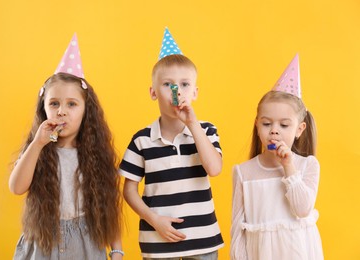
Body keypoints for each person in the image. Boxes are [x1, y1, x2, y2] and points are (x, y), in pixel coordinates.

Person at [9, 34, 124, 260]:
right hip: (43, 243)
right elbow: (16, 187)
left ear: (85, 111)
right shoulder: (37, 151)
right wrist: (37, 144)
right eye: (54, 104)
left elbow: (109, 205)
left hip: (86, 244)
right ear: (44, 109)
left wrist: (117, 251)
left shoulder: (95, 156)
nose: (62, 111)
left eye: (72, 104)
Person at [120, 28, 224, 259]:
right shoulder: (142, 140)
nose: (177, 91)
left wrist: (193, 124)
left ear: (195, 92)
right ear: (153, 92)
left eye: (185, 84)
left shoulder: (206, 130)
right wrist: (153, 220)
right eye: (168, 84)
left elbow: (214, 169)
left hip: (202, 241)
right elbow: (129, 190)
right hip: (157, 243)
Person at [230, 54, 324, 259]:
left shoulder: (308, 165)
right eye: (266, 124)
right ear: (257, 126)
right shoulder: (243, 172)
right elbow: (237, 229)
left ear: (299, 129)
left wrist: (289, 167)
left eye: (284, 125)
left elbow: (302, 209)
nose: (274, 131)